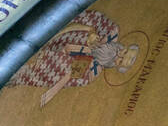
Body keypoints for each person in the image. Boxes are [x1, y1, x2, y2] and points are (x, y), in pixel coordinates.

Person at [8, 9, 139, 107]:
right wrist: (90, 30)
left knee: (58, 68)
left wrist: (51, 93)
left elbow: (67, 75)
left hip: (44, 51)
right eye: (124, 51)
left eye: (120, 60)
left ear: (116, 65)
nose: (119, 54)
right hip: (52, 26)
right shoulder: (110, 31)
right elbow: (83, 14)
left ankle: (19, 73)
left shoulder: (92, 69)